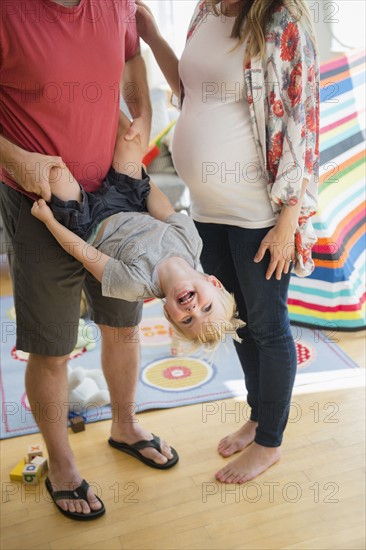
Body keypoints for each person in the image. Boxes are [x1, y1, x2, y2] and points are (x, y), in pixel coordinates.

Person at [0, 0, 176, 521]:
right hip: (38, 203)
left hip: (116, 198)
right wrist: (15, 158)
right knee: (51, 347)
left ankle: (125, 424)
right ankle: (61, 465)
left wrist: (141, 113)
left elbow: (129, 61)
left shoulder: (116, 3)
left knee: (123, 325)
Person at [136, 0, 319, 483]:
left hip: (258, 214)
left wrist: (288, 221)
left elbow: (302, 123)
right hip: (206, 212)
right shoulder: (205, 11)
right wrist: (154, 36)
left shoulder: (281, 20)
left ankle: (269, 443)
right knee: (234, 319)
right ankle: (258, 415)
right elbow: (188, 90)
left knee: (268, 327)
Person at [31, 111, 242, 348]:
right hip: (128, 200)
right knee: (131, 140)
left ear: (169, 315)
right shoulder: (192, 243)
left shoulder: (133, 286)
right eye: (207, 307)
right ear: (214, 283)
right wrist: (140, 174)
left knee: (54, 171)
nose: (193, 309)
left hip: (88, 219)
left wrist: (50, 221)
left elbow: (84, 253)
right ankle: (97, 98)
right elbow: (162, 207)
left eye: (188, 320)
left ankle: (45, 116)